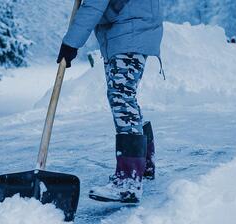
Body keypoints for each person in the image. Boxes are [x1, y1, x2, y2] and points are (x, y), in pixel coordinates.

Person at [57, 0, 163, 203]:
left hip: (130, 32)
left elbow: (94, 5)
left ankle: (129, 181)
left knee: (122, 98)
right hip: (132, 30)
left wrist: (71, 43)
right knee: (125, 95)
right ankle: (143, 165)